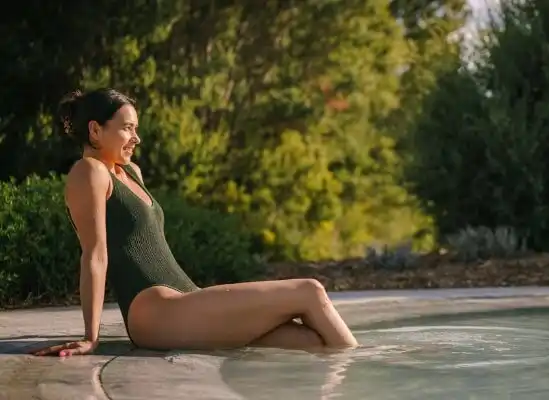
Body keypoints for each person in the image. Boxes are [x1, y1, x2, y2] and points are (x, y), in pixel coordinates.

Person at [30, 88, 359, 357]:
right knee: (310, 291)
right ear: (95, 130)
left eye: (136, 128)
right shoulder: (89, 172)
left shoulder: (130, 172)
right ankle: (358, 380)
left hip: (186, 301)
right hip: (156, 314)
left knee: (310, 342)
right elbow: (95, 255)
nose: (137, 138)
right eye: (127, 127)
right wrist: (91, 337)